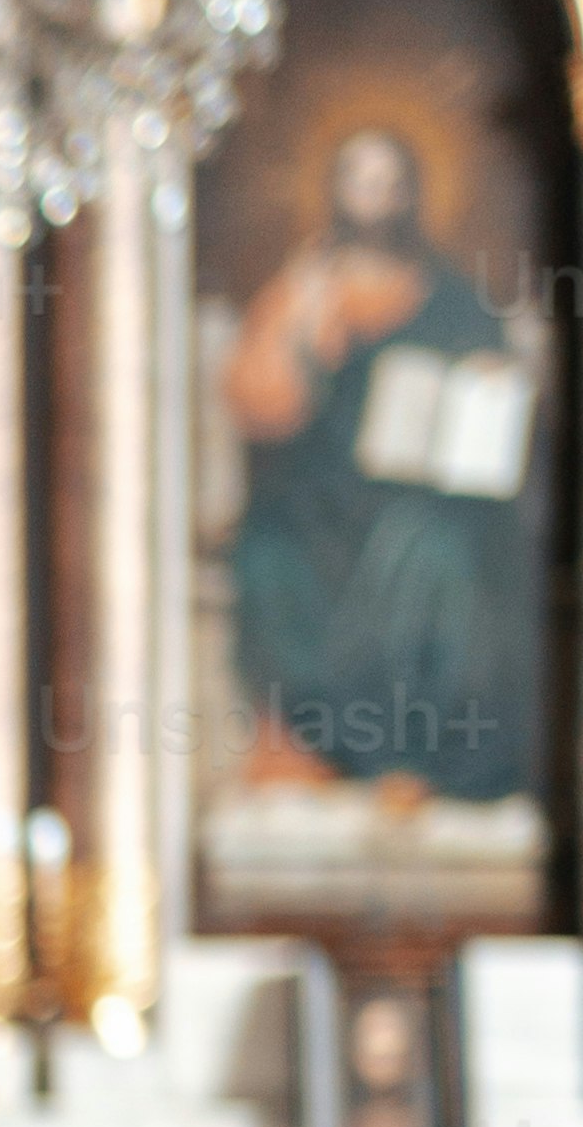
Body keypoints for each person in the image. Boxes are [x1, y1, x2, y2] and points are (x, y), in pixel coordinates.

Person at [218, 116, 538, 810]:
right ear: (337, 191)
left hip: (425, 493)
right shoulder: (308, 281)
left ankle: (422, 756)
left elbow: (497, 402)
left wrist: (487, 383)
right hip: (320, 487)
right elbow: (260, 402)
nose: (373, 197)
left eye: (388, 183)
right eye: (359, 181)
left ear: (408, 195)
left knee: (440, 549)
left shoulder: (452, 296)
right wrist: (304, 331)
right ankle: (325, 747)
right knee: (269, 555)